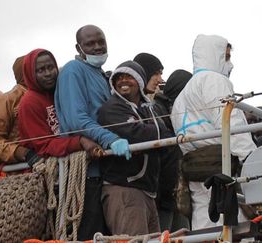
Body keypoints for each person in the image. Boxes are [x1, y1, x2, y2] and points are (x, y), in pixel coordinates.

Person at [171, 35, 256, 230]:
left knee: (204, 223)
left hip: (194, 169)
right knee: (233, 227)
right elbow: (231, 124)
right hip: (221, 167)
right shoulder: (214, 80)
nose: (230, 64)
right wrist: (252, 160)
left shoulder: (182, 96)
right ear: (214, 55)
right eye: (225, 57)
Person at [54, 24, 130, 240]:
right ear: (79, 47)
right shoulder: (72, 71)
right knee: (89, 234)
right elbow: (76, 119)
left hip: (106, 170)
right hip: (85, 174)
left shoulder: (103, 75)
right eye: (90, 44)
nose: (97, 47)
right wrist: (110, 139)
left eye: (101, 42)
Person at [98, 60, 170, 235]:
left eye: (129, 77)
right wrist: (155, 131)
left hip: (147, 191)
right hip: (125, 190)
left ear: (139, 81)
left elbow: (166, 136)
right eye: (119, 78)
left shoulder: (147, 109)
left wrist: (153, 131)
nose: (123, 81)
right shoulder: (111, 108)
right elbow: (135, 133)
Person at [18, 48, 101, 163]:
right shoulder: (29, 102)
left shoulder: (63, 90)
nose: (48, 74)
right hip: (51, 168)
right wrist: (80, 141)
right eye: (40, 70)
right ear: (30, 74)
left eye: (50, 67)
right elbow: (43, 146)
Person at [152, 70, 193, 231]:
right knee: (165, 234)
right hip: (164, 191)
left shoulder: (178, 112)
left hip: (177, 190)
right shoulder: (157, 111)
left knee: (183, 234)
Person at [0, 56, 34, 164]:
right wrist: (21, 152)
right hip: (20, 171)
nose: (47, 73)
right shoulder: (7, 99)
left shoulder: (51, 95)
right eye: (38, 68)